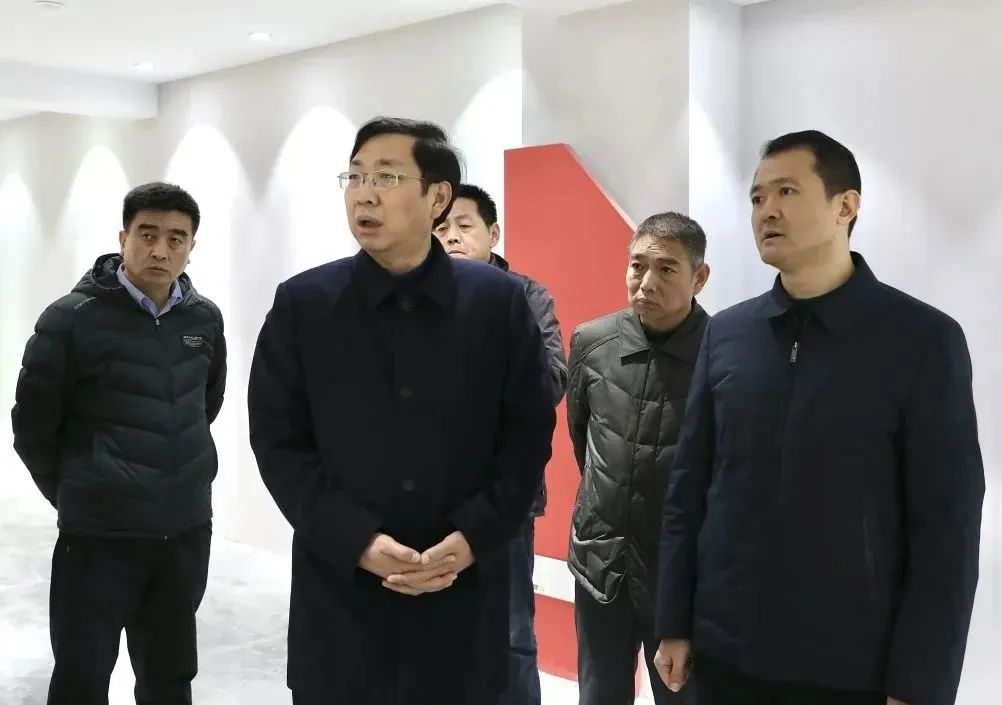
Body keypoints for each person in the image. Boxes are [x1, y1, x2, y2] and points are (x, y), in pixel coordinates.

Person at [654, 130, 984, 705]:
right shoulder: (728, 335)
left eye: (787, 191)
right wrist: (674, 621)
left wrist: (921, 681)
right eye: (757, 197)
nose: (767, 210)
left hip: (851, 667)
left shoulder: (921, 341)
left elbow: (946, 528)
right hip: (725, 654)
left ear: (845, 206)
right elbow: (690, 490)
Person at [247, 117, 555, 705]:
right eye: (355, 177)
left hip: (464, 601)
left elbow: (527, 435)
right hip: (341, 598)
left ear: (438, 197)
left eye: (386, 177)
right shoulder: (304, 305)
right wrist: (355, 539)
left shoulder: (498, 305)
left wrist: (474, 535)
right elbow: (278, 442)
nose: (364, 194)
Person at [11, 182, 227, 705]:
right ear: (123, 237)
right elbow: (33, 426)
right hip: (99, 536)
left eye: (176, 238)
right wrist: (82, 489)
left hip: (183, 530)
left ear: (191, 246)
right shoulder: (71, 318)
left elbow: (206, 404)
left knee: (170, 676)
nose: (161, 250)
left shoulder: (203, 318)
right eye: (147, 235)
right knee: (82, 677)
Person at [566, 212, 711, 705]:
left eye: (667, 268)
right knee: (599, 695)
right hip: (599, 563)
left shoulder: (723, 355)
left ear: (699, 277)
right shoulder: (592, 342)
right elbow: (583, 440)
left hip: (681, 580)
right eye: (637, 266)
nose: (646, 283)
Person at [434, 183, 568, 705]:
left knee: (511, 634)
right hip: (432, 495)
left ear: (493, 234)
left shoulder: (528, 297)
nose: (451, 237)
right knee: (437, 636)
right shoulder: (418, 298)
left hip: (507, 499)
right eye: (441, 227)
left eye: (463, 226)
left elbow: (552, 381)